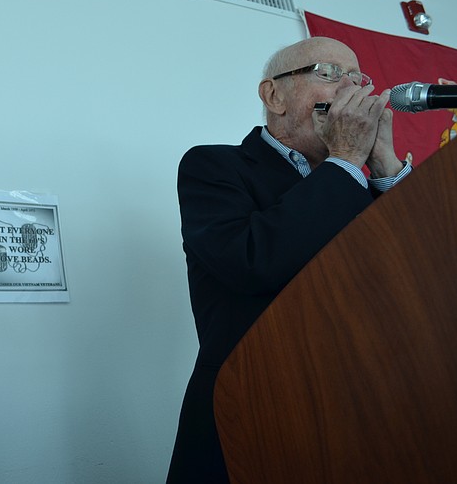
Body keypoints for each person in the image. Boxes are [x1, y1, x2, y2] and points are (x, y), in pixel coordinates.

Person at [166, 36, 412, 483]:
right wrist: (347, 160)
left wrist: (387, 166)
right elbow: (252, 260)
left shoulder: (363, 181)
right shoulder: (214, 167)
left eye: (358, 79)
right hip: (252, 410)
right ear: (274, 95)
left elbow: (423, 278)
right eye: (329, 73)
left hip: (361, 419)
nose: (351, 90)